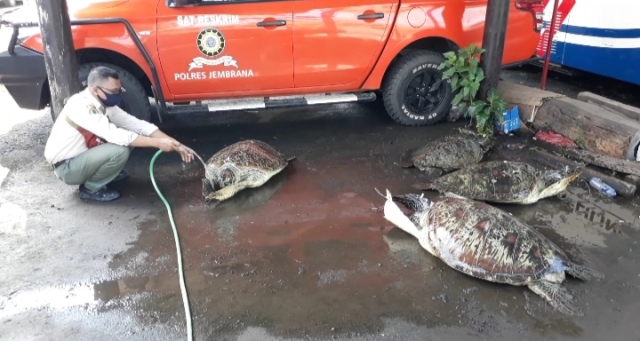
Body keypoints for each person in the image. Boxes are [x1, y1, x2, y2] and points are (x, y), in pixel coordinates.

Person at [44, 66, 194, 202]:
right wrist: (158, 144)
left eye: (119, 90)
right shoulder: (82, 106)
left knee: (130, 136)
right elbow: (116, 136)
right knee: (119, 150)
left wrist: (176, 144)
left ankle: (106, 172)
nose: (117, 95)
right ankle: (90, 188)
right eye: (113, 91)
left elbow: (137, 125)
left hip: (81, 158)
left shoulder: (104, 103)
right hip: (67, 167)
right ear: (95, 90)